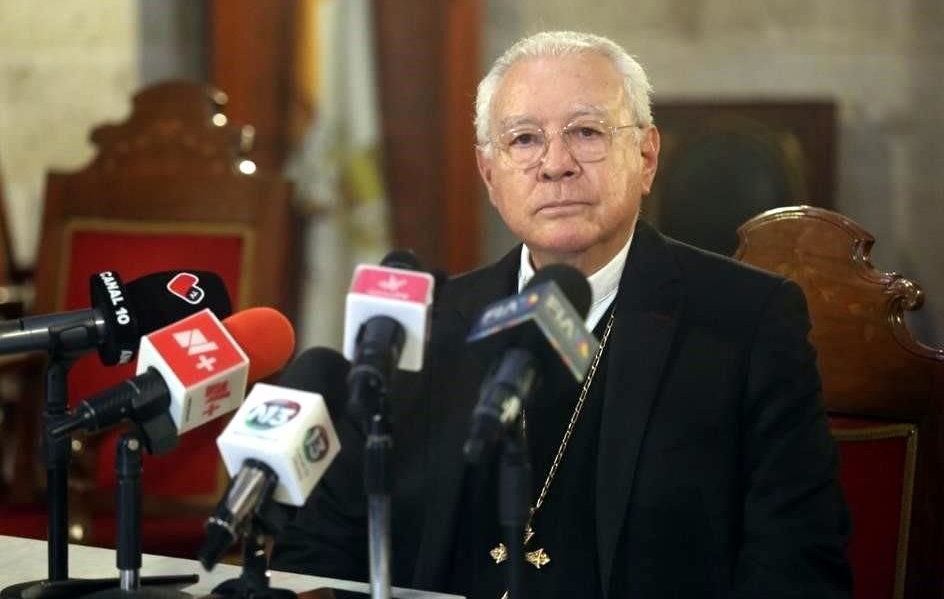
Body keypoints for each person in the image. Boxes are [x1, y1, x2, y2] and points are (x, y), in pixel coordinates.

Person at [272, 30, 852, 598]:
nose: (555, 164)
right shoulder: (426, 324)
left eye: (587, 132)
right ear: (489, 173)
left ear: (647, 156)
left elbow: (796, 564)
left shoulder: (746, 323)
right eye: (523, 139)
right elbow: (325, 547)